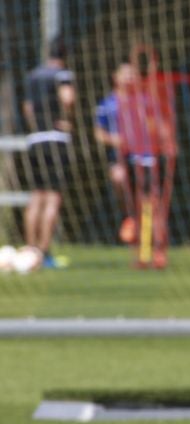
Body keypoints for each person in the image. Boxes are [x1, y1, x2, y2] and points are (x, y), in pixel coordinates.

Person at [21, 36, 75, 268]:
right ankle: (44, 253)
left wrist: (38, 125)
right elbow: (68, 99)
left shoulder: (33, 75)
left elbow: (27, 108)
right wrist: (65, 119)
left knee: (36, 195)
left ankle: (30, 249)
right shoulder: (62, 74)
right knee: (52, 197)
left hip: (35, 139)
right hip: (55, 138)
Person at [93, 62, 140, 245]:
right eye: (125, 74)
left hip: (142, 155)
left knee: (147, 191)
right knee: (119, 178)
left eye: (132, 74)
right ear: (116, 77)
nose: (129, 77)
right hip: (118, 156)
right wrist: (117, 140)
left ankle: (145, 229)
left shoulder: (143, 101)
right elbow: (98, 133)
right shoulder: (107, 104)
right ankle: (128, 216)